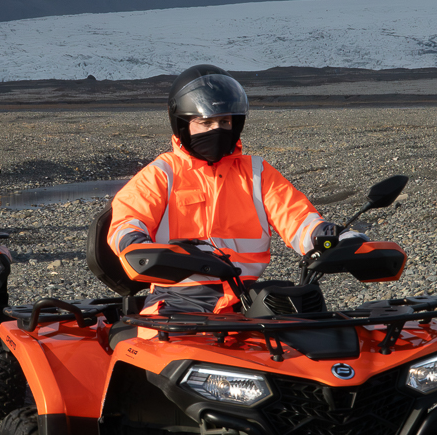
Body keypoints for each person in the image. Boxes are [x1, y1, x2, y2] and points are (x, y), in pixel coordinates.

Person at [108, 64, 358, 314]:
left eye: (224, 121)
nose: (216, 130)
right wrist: (135, 243)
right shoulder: (162, 173)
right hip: (175, 301)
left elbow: (297, 218)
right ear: (183, 125)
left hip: (245, 300)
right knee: (162, 341)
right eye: (205, 123)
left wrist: (328, 235)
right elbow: (126, 222)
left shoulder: (257, 172)